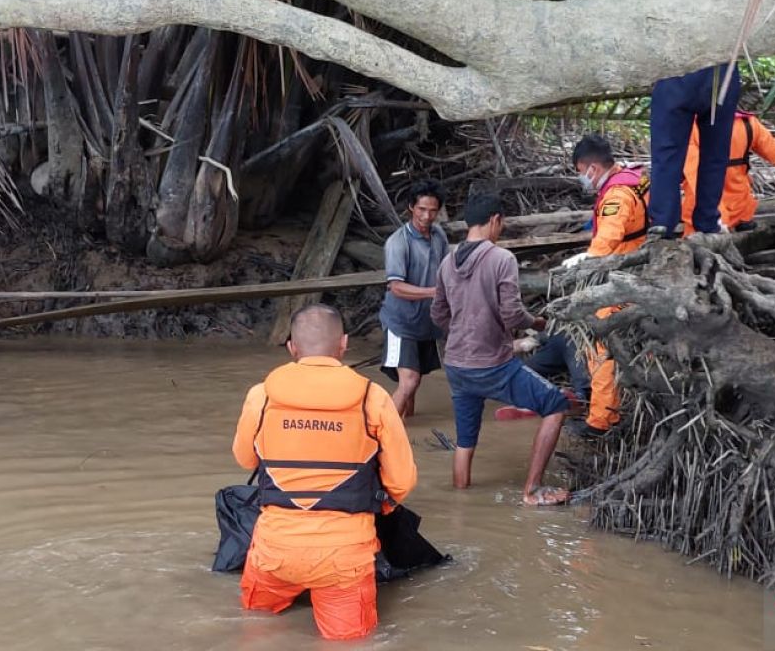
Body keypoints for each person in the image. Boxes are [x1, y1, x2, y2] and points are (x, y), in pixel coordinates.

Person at [233, 304, 417, 641]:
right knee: (349, 643)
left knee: (257, 627)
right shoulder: (372, 399)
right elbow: (402, 482)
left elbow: (245, 459)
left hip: (275, 551)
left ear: (292, 347)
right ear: (344, 344)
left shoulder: (261, 396)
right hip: (344, 558)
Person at [431, 192, 570, 506]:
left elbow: (438, 314)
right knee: (556, 405)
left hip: (455, 364)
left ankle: (460, 500)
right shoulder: (501, 258)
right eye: (502, 223)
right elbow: (512, 314)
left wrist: (463, 330)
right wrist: (538, 324)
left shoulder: (446, 262)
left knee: (465, 439)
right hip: (492, 364)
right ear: (495, 220)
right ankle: (532, 491)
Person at [530, 134, 648, 437]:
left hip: (623, 279)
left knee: (600, 347)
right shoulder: (634, 178)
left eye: (581, 172)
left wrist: (584, 260)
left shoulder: (616, 196)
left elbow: (607, 241)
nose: (582, 179)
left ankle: (602, 420)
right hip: (636, 270)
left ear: (592, 168)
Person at [647, 0, 740, 239]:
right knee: (715, 154)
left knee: (667, 154)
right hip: (720, 72)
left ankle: (664, 223)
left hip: (676, 73)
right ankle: (707, 222)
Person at [378, 179, 449, 419]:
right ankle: (380, 434)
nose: (427, 216)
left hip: (426, 322)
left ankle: (405, 429)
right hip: (401, 322)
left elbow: (446, 271)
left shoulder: (439, 236)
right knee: (409, 381)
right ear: (411, 207)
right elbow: (396, 287)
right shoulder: (398, 242)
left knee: (413, 384)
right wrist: (433, 292)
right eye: (421, 209)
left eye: (432, 211)